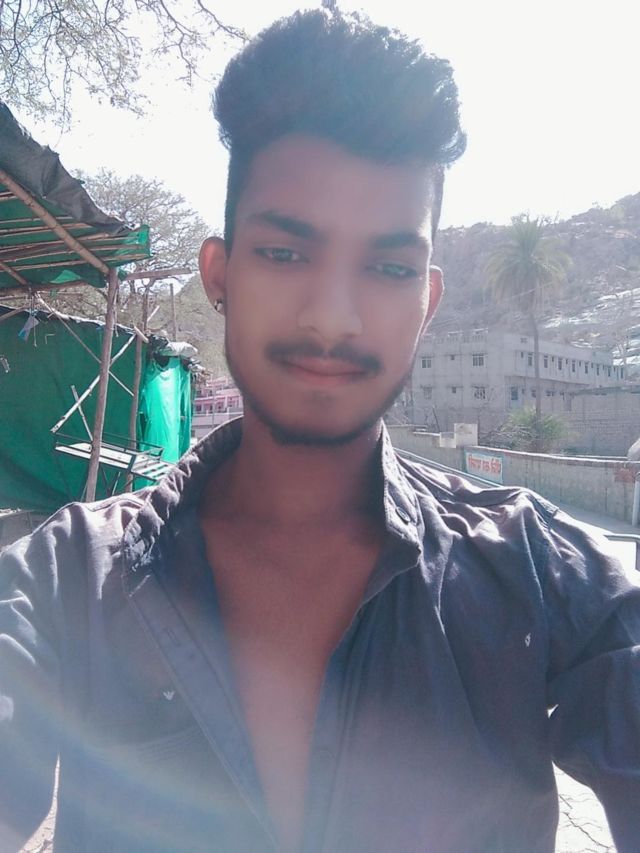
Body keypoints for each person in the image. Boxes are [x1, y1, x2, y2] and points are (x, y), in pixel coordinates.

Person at [1, 8, 639, 853]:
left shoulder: (540, 574)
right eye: (286, 253)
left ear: (427, 300)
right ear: (220, 274)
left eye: (388, 267)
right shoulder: (68, 576)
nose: (333, 317)